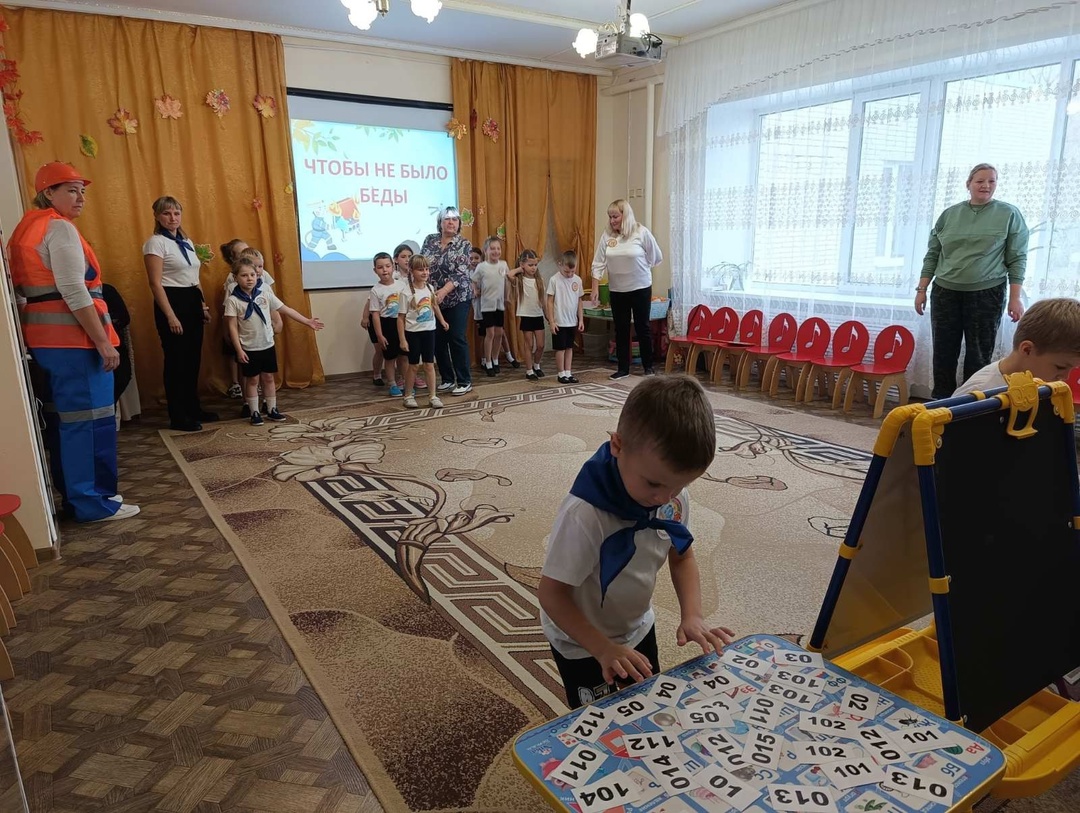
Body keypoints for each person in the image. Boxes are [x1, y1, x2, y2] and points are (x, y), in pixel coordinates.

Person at [538, 374, 735, 708]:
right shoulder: (585, 514)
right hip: (581, 641)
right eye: (654, 484)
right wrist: (602, 648)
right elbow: (551, 594)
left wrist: (693, 615)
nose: (664, 498)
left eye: (680, 485)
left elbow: (682, 556)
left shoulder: (672, 497)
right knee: (597, 718)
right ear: (617, 446)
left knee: (647, 704)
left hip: (637, 625)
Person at [8, 161, 138, 521]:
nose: (80, 197)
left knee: (65, 421)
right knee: (90, 422)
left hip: (48, 344)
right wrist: (103, 341)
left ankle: (77, 496)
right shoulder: (59, 228)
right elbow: (73, 289)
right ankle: (94, 502)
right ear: (48, 193)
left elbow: (22, 295)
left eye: (82, 191)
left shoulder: (24, 230)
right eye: (71, 190)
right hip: (76, 343)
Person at [917, 163, 1030, 400]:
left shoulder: (1009, 214)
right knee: (943, 353)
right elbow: (933, 254)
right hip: (945, 292)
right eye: (980, 181)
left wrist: (1015, 298)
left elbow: (1017, 258)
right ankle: (941, 405)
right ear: (968, 184)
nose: (986, 185)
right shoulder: (949, 215)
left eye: (991, 181)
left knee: (978, 355)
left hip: (986, 293)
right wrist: (922, 289)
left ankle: (972, 407)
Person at [143, 196, 217, 432]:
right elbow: (155, 283)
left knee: (192, 359)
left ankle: (193, 408)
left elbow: (194, 277)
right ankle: (178, 415)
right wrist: (171, 316)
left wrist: (202, 306)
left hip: (191, 300)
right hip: (172, 301)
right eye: (167, 213)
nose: (172, 218)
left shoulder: (186, 241)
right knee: (177, 361)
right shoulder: (155, 243)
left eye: (176, 213)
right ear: (157, 216)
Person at [224, 256, 324, 425]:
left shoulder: (265, 295)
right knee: (252, 380)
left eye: (252, 275)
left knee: (269, 378)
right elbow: (232, 327)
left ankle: (272, 409)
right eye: (244, 275)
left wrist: (307, 321)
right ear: (235, 278)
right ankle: (254, 412)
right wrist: (239, 349)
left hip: (267, 345)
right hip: (249, 347)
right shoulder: (233, 301)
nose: (249, 279)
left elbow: (286, 309)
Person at [590, 199, 663, 380]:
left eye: (615, 216)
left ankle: (648, 367)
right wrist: (595, 288)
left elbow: (656, 257)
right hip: (617, 290)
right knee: (621, 329)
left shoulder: (641, 232)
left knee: (642, 327)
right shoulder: (607, 236)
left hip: (640, 288)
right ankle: (623, 369)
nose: (612, 220)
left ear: (625, 215)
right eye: (610, 217)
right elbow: (598, 262)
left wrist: (640, 266)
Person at [953, 298, 1080, 396]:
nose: (1065, 377)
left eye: (1073, 368)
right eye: (1060, 367)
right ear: (1027, 350)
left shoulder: (1043, 383)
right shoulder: (978, 392)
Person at [421, 207, 473, 396]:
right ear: (440, 223)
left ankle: (464, 380)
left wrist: (443, 291)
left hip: (458, 298)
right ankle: (447, 379)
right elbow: (422, 265)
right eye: (447, 219)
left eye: (455, 219)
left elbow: (460, 273)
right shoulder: (429, 240)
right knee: (438, 340)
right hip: (434, 299)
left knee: (456, 337)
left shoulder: (464, 244)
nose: (451, 222)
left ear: (459, 224)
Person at [398, 255, 449, 410]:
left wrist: (442, 321)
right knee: (413, 365)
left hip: (429, 331)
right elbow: (400, 318)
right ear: (412, 271)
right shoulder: (406, 292)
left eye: (427, 269)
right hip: (413, 333)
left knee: (429, 364)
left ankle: (433, 396)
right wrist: (402, 339)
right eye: (421, 269)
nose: (425, 272)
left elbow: (434, 306)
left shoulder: (430, 288)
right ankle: (408, 395)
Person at [366, 253, 406, 396]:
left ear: (393, 267)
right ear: (375, 270)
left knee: (403, 356)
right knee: (390, 357)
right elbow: (375, 314)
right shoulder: (375, 290)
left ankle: (404, 381)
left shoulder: (402, 286)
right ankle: (392, 383)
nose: (384, 270)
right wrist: (379, 335)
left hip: (401, 323)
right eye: (380, 267)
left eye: (388, 266)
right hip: (386, 324)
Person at [472, 236, 510, 376]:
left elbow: (507, 281)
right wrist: (475, 290)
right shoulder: (481, 267)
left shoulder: (503, 265)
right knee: (490, 333)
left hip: (499, 304)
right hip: (487, 305)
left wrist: (507, 297)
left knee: (499, 333)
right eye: (492, 248)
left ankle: (495, 359)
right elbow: (474, 280)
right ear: (486, 251)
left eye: (498, 248)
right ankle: (487, 362)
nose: (496, 251)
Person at [547, 250, 585, 384]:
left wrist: (581, 319)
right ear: (560, 265)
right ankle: (561, 373)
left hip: (572, 321)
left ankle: (568, 372)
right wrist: (552, 321)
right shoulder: (554, 280)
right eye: (566, 271)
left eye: (572, 272)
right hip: (559, 322)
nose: (569, 274)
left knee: (569, 347)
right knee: (560, 348)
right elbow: (549, 301)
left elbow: (579, 301)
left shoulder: (578, 280)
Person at [507, 249, 546, 381]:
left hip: (538, 315)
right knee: (528, 344)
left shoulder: (540, 280)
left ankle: (536, 365)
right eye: (530, 265)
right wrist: (520, 269)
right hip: (526, 315)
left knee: (540, 345)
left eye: (535, 265)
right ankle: (529, 370)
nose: (533, 268)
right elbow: (509, 274)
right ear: (523, 264)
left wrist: (548, 316)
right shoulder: (520, 280)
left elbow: (543, 301)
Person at [392, 241, 425, 390]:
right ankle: (402, 376)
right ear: (396, 259)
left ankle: (413, 375)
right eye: (403, 256)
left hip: (413, 319)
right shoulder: (394, 277)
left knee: (413, 350)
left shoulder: (415, 276)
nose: (407, 259)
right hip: (398, 317)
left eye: (409, 256)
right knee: (402, 351)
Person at [220, 238, 249, 399]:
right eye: (241, 253)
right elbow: (227, 306)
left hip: (251, 323)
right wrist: (227, 329)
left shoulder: (259, 273)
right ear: (233, 258)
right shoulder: (232, 279)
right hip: (236, 322)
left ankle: (251, 383)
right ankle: (236, 383)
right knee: (233, 352)